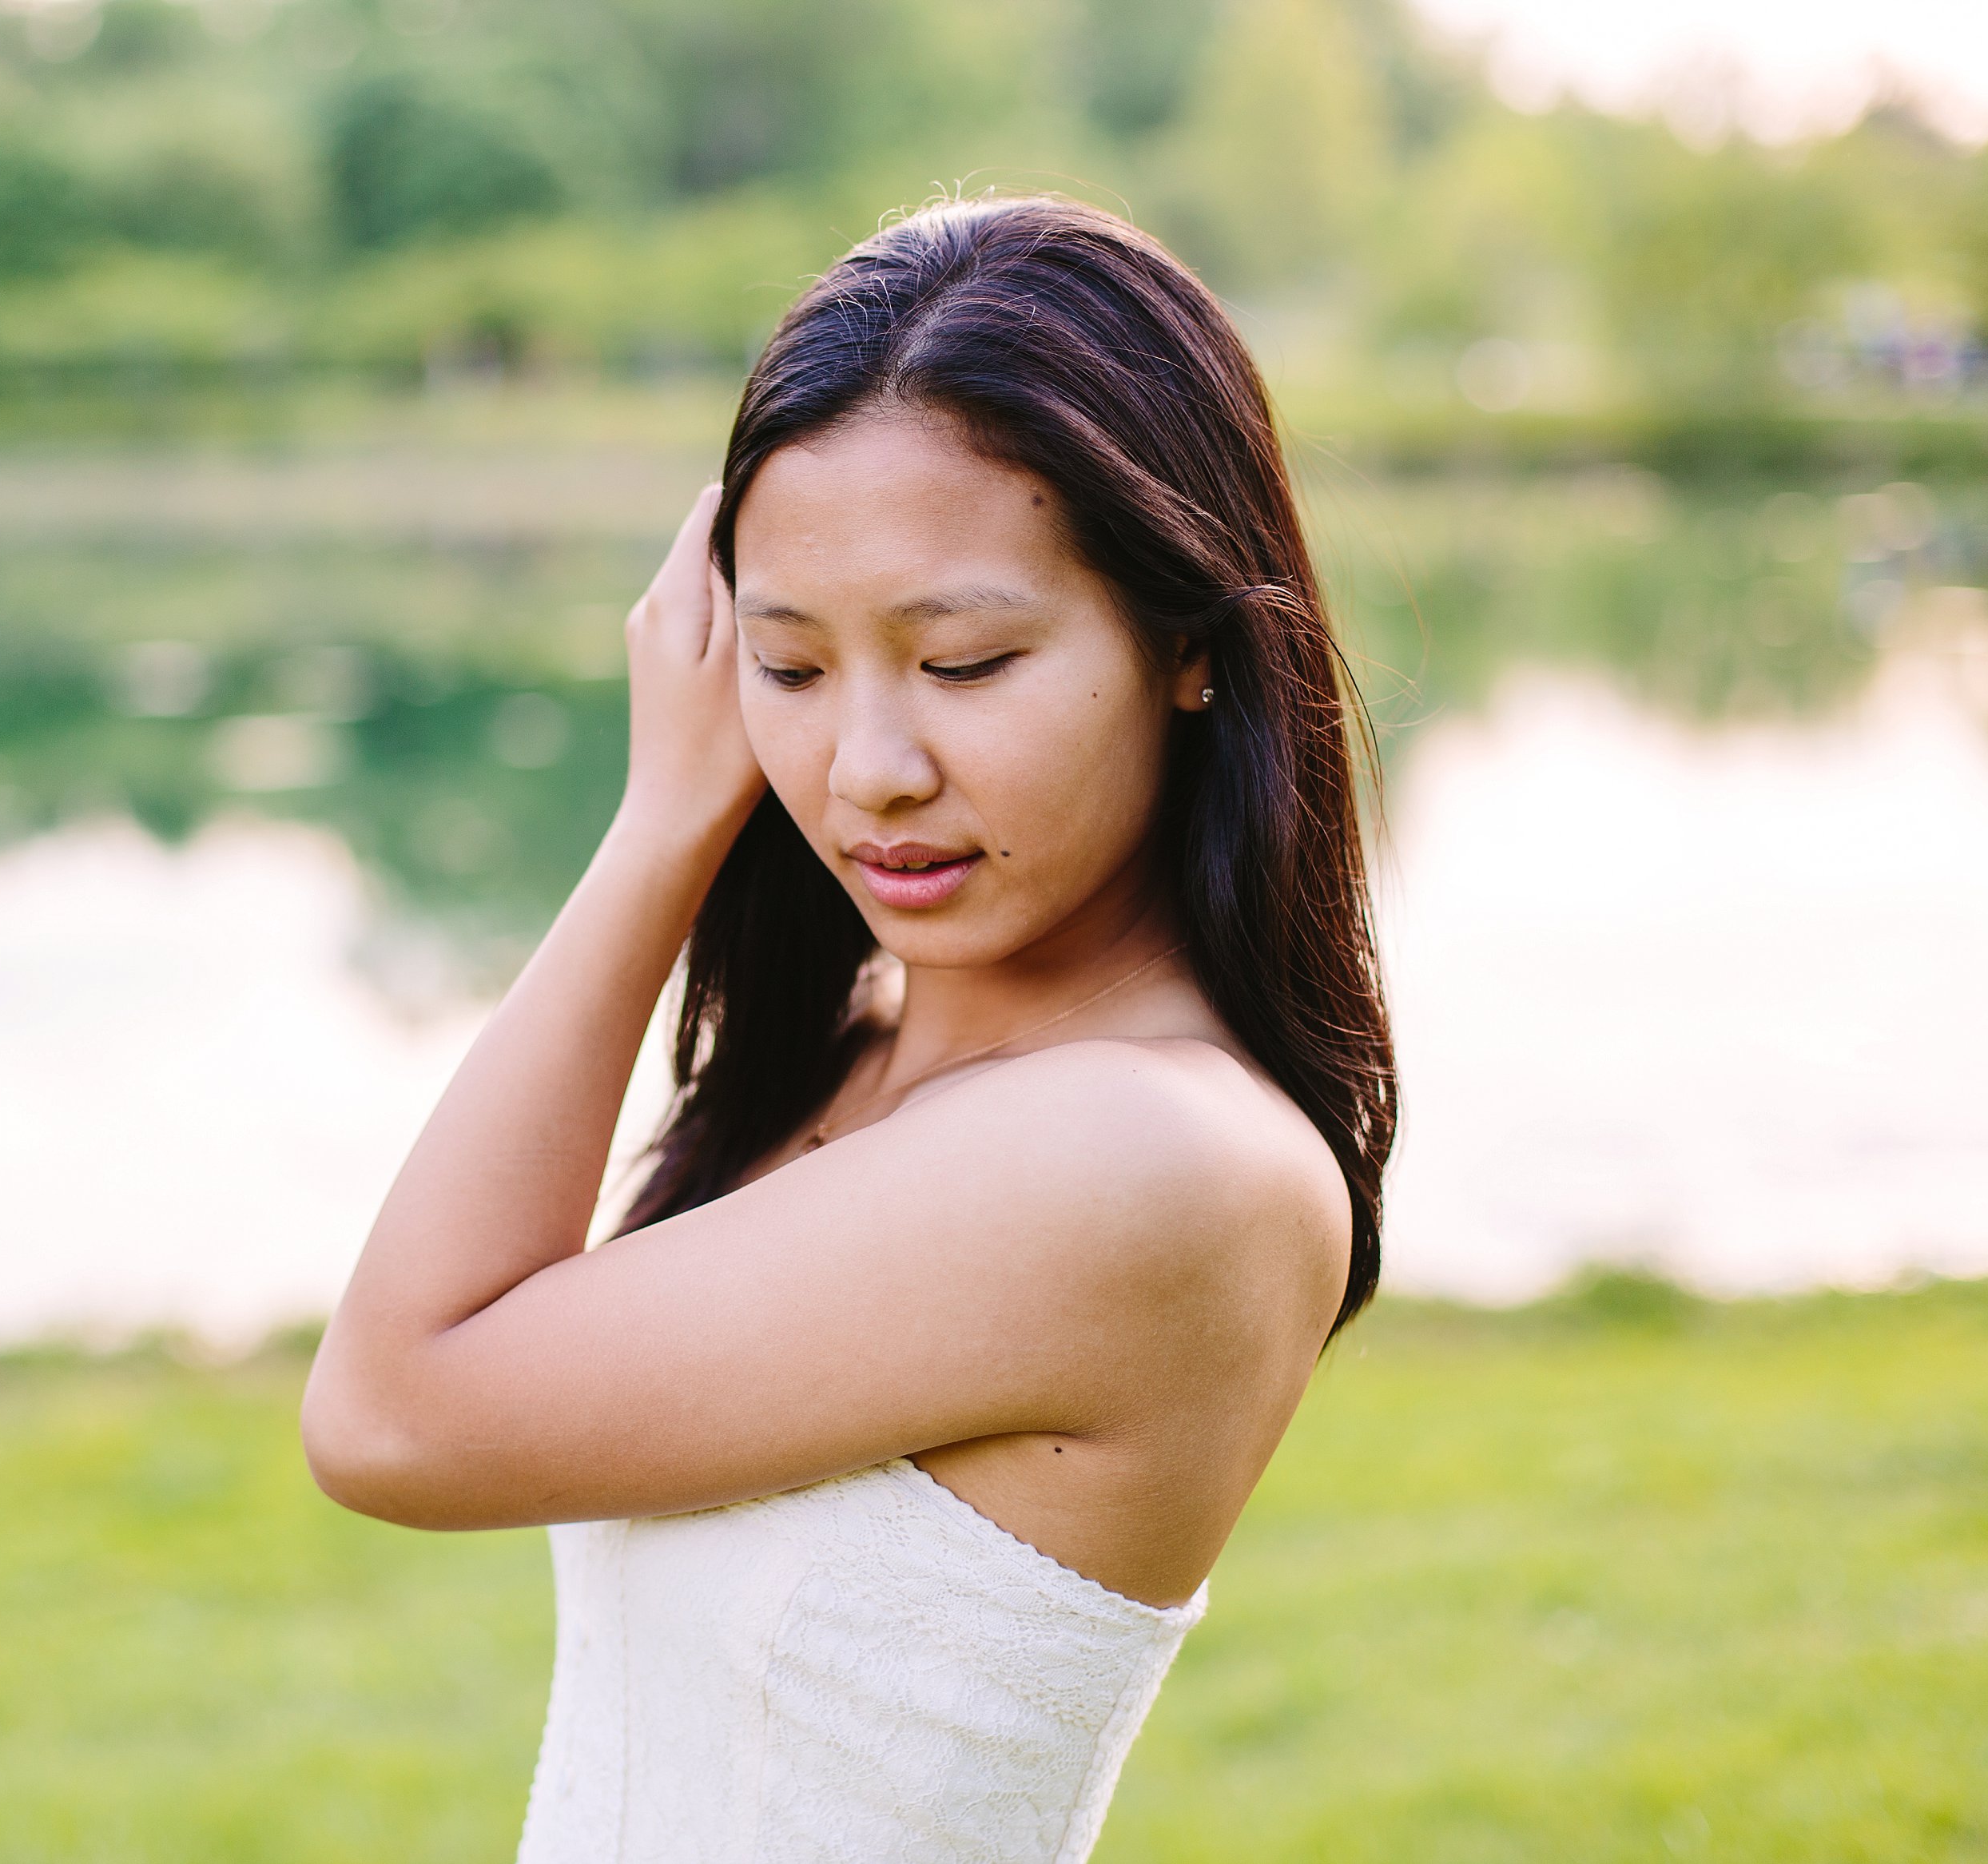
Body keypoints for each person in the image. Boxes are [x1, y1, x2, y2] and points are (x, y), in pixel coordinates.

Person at [302, 193, 1397, 1862]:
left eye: (962, 663)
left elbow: (393, 1411)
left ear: (1189, 643)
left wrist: (661, 825)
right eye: (789, 669)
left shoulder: (1148, 1156)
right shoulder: (867, 1048)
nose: (866, 768)